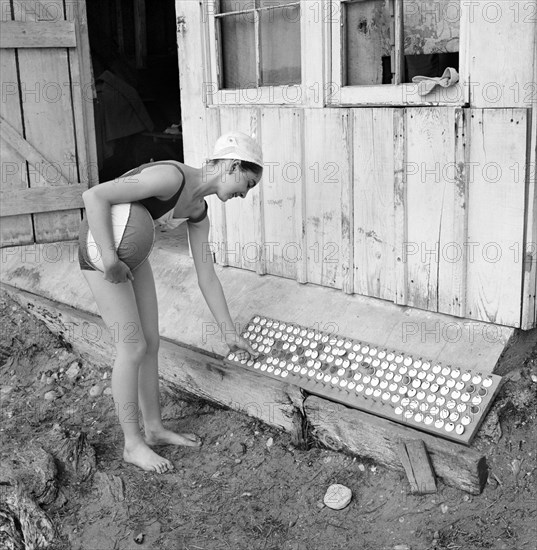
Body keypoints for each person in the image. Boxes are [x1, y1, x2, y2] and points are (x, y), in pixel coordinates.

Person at [79, 132, 262, 473]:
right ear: (234, 165)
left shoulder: (198, 210)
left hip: (132, 255)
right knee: (131, 347)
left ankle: (155, 428)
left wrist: (229, 332)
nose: (244, 194)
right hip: (100, 249)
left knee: (151, 342)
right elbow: (94, 196)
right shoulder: (171, 177)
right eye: (248, 184)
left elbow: (206, 275)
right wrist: (109, 259)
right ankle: (132, 445)